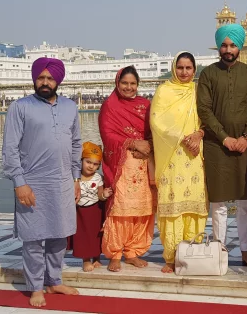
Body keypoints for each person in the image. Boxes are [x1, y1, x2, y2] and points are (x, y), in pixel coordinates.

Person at [2, 57, 81, 307]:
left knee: (59, 235)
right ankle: (36, 286)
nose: (45, 82)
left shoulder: (70, 107)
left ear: (58, 80)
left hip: (63, 181)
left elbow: (77, 143)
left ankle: (54, 280)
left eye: (50, 78)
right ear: (34, 79)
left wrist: (76, 178)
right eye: (41, 78)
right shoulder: (20, 107)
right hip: (32, 182)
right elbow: (10, 148)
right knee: (33, 238)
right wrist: (19, 182)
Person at [197, 23, 247, 268]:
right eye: (224, 45)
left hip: (245, 145)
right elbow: (204, 109)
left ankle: (245, 251)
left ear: (240, 47)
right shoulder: (208, 74)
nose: (228, 49)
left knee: (245, 203)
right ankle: (219, 249)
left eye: (232, 45)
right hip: (217, 145)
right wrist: (225, 138)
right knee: (219, 203)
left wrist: (246, 136)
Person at [150, 52, 208, 274]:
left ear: (194, 70)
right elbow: (157, 121)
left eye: (189, 68)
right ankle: (171, 257)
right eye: (181, 68)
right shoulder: (164, 91)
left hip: (195, 155)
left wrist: (199, 134)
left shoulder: (198, 91)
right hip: (172, 156)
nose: (184, 72)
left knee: (194, 204)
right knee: (172, 206)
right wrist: (182, 137)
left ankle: (192, 252)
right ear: (175, 68)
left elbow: (206, 117)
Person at [99, 66, 155, 272]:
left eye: (133, 84)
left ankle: (132, 252)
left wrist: (148, 145)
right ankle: (114, 253)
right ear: (117, 83)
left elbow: (153, 131)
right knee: (120, 209)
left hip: (143, 165)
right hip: (121, 166)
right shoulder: (110, 106)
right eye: (125, 83)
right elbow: (108, 135)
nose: (129, 87)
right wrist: (132, 142)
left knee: (141, 209)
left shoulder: (145, 106)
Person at [68, 142, 109, 272]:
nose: (91, 166)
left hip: (95, 210)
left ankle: (97, 257)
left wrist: (105, 194)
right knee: (83, 236)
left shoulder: (98, 178)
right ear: (81, 161)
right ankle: (86, 260)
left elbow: (100, 196)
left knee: (96, 235)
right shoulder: (75, 178)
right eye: (88, 162)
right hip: (80, 212)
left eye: (95, 164)